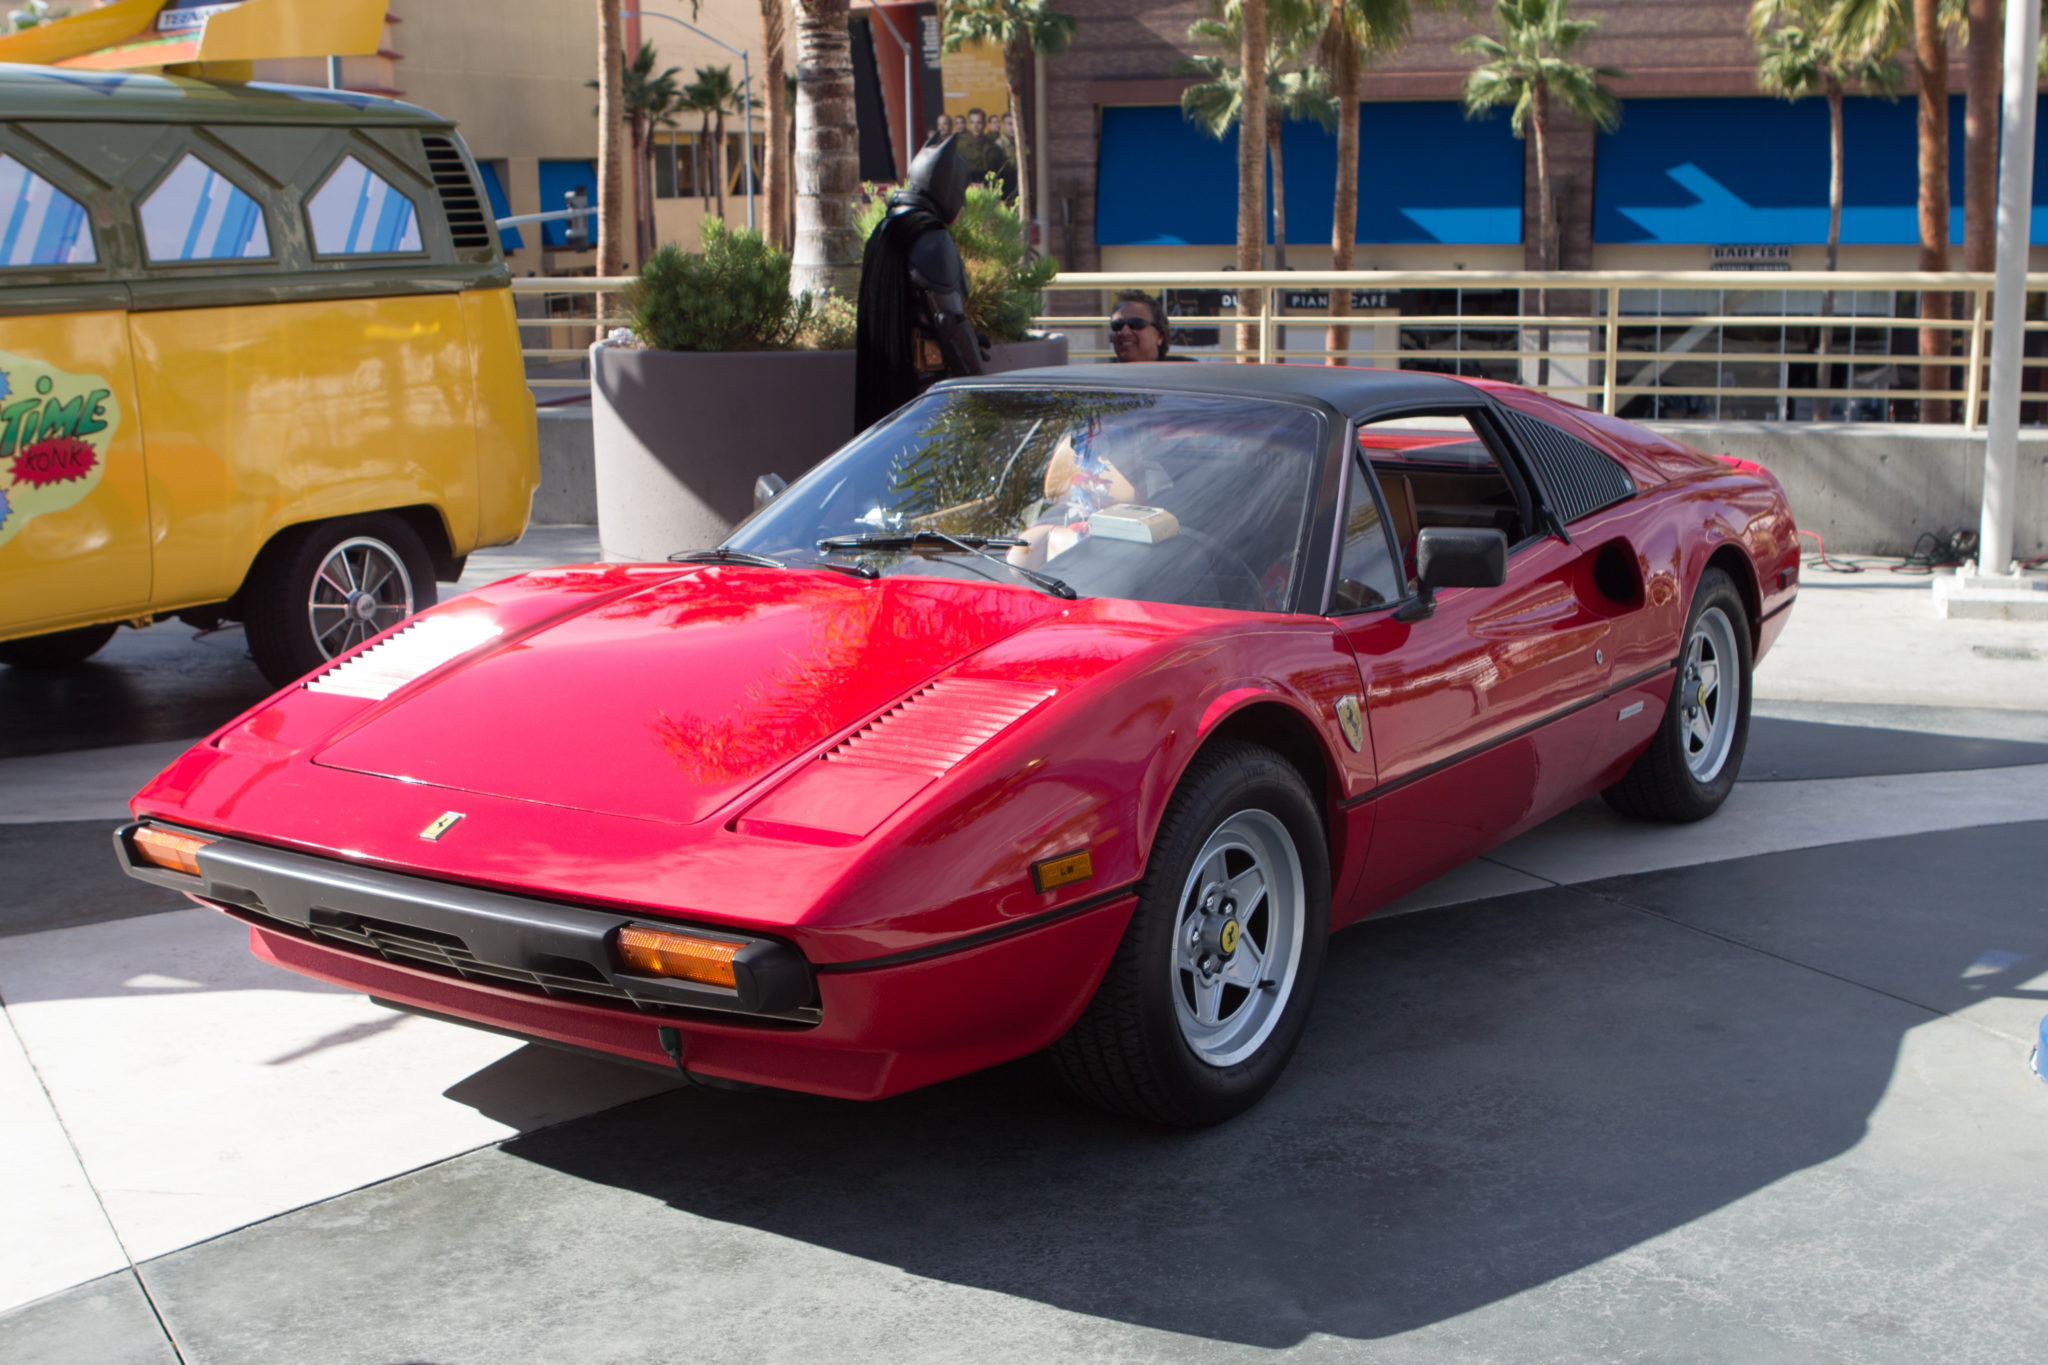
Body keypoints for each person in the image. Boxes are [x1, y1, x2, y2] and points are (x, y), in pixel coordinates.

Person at [854, 136, 984, 431]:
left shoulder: (886, 230)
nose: (962, 203)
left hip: (887, 395)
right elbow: (949, 322)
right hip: (927, 403)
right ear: (946, 189)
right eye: (960, 192)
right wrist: (983, 399)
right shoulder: (930, 238)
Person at [1108, 290, 1180, 363]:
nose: (1124, 331)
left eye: (1136, 324)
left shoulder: (1183, 371)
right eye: (1117, 325)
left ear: (1160, 337)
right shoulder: (1102, 373)